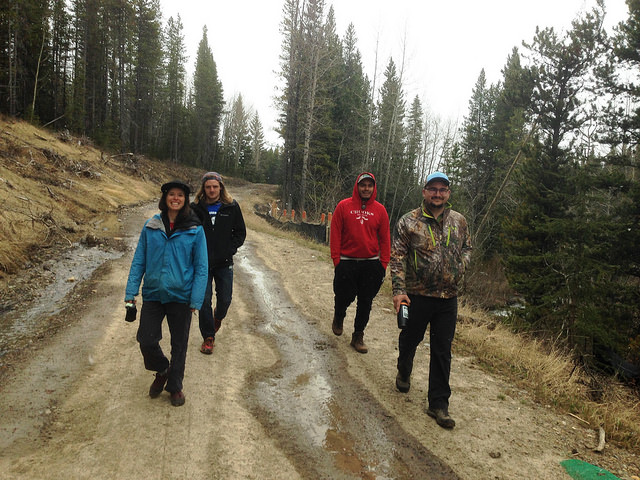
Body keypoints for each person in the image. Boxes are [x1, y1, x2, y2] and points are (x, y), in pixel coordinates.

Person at [390, 171, 472, 428]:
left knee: (442, 350)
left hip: (448, 297)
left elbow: (468, 247)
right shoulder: (408, 222)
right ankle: (404, 369)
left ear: (448, 194)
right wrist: (398, 291)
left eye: (442, 189)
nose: (438, 194)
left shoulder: (459, 221)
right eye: (433, 189)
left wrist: (461, 265)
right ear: (424, 192)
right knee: (410, 340)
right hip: (417, 295)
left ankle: (438, 404)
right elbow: (397, 257)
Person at [125, 180, 208, 407]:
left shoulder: (195, 228)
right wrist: (131, 293)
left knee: (179, 344)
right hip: (153, 293)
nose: (176, 198)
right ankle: (162, 369)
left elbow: (201, 267)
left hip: (181, 296)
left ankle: (175, 386)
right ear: (165, 198)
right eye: (172, 194)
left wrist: (196, 299)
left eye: (180, 195)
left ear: (185, 200)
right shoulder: (151, 226)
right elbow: (139, 260)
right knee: (146, 339)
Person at [330, 172, 391, 353]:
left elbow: (385, 238)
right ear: (357, 187)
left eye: (369, 185)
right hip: (346, 262)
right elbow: (335, 233)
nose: (366, 188)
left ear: (374, 188)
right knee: (344, 296)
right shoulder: (343, 206)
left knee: (366, 302)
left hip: (371, 264)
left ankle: (358, 335)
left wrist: (384, 263)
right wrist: (336, 260)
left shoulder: (380, 210)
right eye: (363, 185)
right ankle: (339, 315)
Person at [190, 172, 246, 355]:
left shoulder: (231, 206)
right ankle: (208, 337)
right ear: (203, 189)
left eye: (215, 186)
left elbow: (240, 232)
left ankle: (218, 316)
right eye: (208, 187)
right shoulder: (195, 208)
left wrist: (229, 249)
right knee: (204, 300)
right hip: (202, 264)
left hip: (224, 262)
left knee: (225, 300)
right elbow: (187, 232)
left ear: (221, 187)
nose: (212, 190)